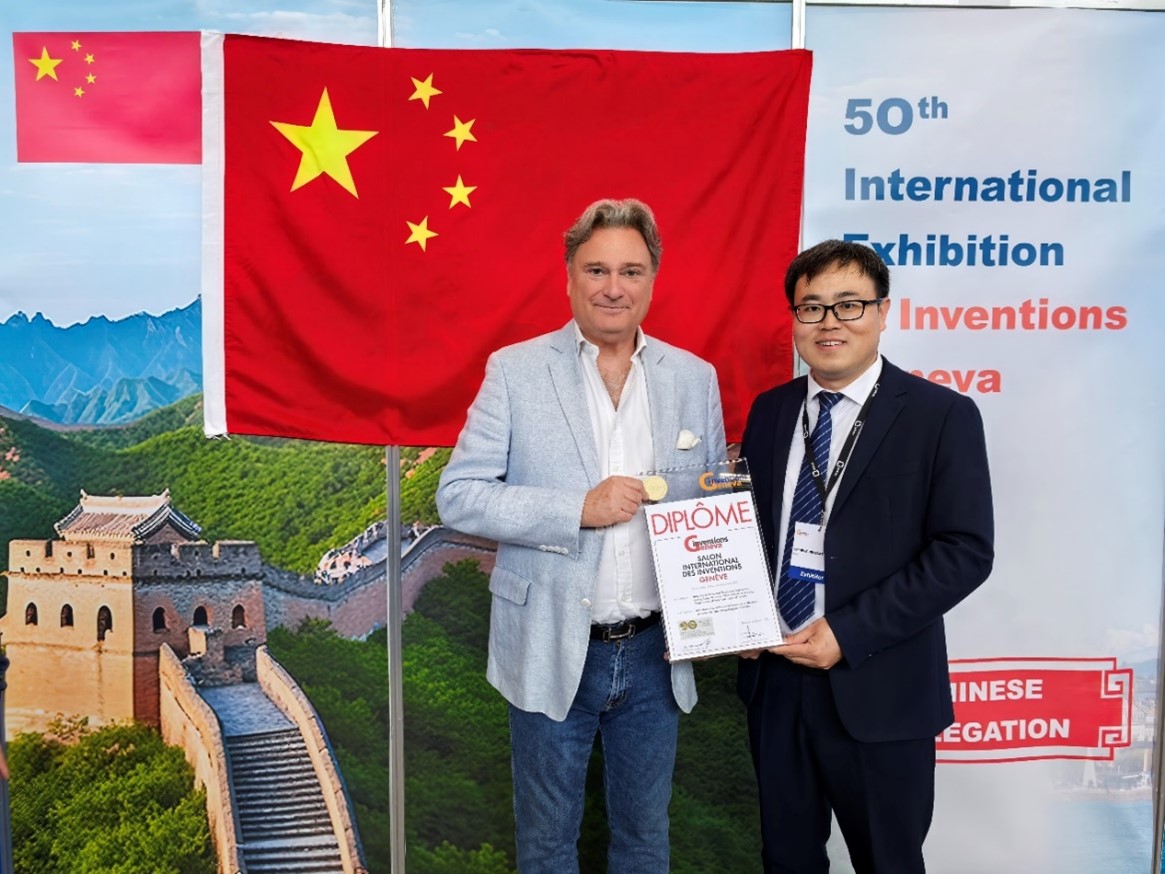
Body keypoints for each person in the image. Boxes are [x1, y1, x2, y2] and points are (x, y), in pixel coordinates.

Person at [436, 198, 725, 874]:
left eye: (630, 271)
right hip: (548, 643)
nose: (613, 287)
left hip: (657, 655)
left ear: (652, 280)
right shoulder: (515, 370)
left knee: (645, 842)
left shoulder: (694, 378)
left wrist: (716, 608)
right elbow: (458, 495)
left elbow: (711, 507)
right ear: (569, 277)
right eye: (596, 270)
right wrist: (577, 508)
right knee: (545, 846)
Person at [738, 239, 994, 873]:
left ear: (882, 312)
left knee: (888, 861)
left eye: (849, 305)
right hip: (776, 682)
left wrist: (847, 633)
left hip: (881, 687)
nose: (829, 323)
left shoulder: (942, 415)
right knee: (786, 860)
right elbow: (752, 532)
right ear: (794, 319)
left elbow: (964, 551)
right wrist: (733, 615)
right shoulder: (770, 412)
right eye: (811, 307)